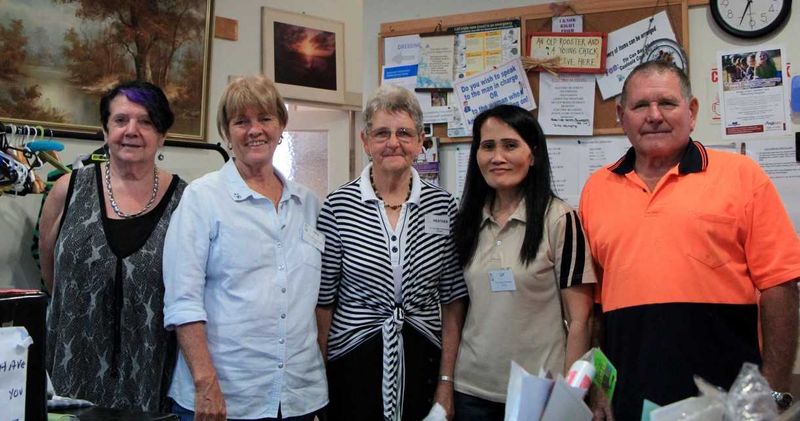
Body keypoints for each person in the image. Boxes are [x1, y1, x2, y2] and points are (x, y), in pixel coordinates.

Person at [579, 60, 800, 420]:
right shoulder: (596, 189)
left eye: (667, 103)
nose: (654, 116)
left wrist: (771, 390)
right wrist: (600, 385)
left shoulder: (743, 177)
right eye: (639, 106)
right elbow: (596, 305)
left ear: (692, 111)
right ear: (621, 116)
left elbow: (781, 286)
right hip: (630, 397)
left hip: (728, 398)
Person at [162, 75, 327, 420]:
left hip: (298, 396)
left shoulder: (308, 204)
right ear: (226, 132)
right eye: (242, 121)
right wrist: (206, 383)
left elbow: (316, 300)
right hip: (226, 397)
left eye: (265, 118)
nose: (255, 130)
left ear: (281, 126)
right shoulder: (202, 199)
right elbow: (182, 302)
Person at [316, 84, 468, 421]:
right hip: (353, 359)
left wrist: (446, 381)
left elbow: (453, 299)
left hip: (423, 357)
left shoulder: (442, 206)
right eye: (382, 133)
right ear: (366, 141)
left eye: (404, 133)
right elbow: (324, 301)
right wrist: (321, 376)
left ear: (419, 142)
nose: (393, 142)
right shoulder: (338, 206)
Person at [39, 80, 187, 411]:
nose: (131, 130)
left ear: (162, 135)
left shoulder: (186, 201)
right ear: (105, 131)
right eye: (121, 120)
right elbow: (52, 275)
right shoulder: (68, 189)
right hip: (69, 373)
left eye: (146, 121)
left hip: (150, 381)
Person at [452, 105, 595, 420]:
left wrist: (568, 398)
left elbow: (581, 321)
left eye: (510, 145)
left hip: (539, 393)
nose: (497, 156)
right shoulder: (465, 222)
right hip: (472, 391)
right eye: (487, 146)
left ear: (533, 155)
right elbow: (457, 310)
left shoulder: (559, 219)